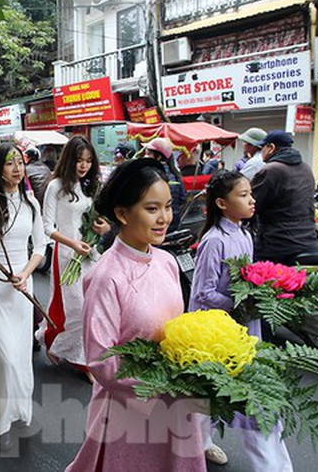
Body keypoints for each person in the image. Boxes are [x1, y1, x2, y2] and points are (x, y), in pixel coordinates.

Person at [66, 158, 204, 472]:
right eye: (152, 209)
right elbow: (103, 362)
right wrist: (163, 383)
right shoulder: (105, 276)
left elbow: (177, 330)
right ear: (122, 213)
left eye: (167, 206)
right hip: (129, 412)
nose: (164, 218)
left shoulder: (167, 261)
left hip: (178, 402)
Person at [189, 171, 293, 470]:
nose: (252, 200)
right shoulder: (214, 241)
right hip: (217, 332)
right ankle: (200, 445)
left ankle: (201, 443)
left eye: (251, 194)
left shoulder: (245, 234)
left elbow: (248, 279)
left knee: (221, 394)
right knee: (218, 393)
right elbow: (204, 293)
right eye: (243, 195)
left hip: (244, 328)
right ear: (222, 203)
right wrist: (243, 305)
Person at [0, 143, 45, 451]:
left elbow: (40, 248)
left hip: (20, 285)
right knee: (2, 357)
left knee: (18, 356)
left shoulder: (31, 204)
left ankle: (17, 410)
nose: (17, 169)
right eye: (9, 163)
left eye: (20, 162)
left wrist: (25, 275)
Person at [38, 137, 109, 379]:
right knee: (77, 308)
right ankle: (80, 360)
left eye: (89, 160)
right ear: (69, 159)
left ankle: (81, 355)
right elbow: (47, 227)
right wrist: (72, 243)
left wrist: (102, 228)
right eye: (79, 160)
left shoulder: (91, 186)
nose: (84, 165)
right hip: (67, 255)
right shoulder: (55, 186)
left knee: (94, 308)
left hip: (90, 253)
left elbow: (98, 217)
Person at [250, 131, 318, 265]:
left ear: (271, 148)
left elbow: (251, 205)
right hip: (308, 239)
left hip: (277, 244)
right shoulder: (306, 168)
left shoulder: (271, 170)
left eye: (262, 147)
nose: (261, 151)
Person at [143, 137, 187, 233]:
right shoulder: (176, 175)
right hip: (173, 225)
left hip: (154, 228)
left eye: (148, 154)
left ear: (158, 157)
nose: (145, 156)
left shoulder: (151, 176)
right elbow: (183, 199)